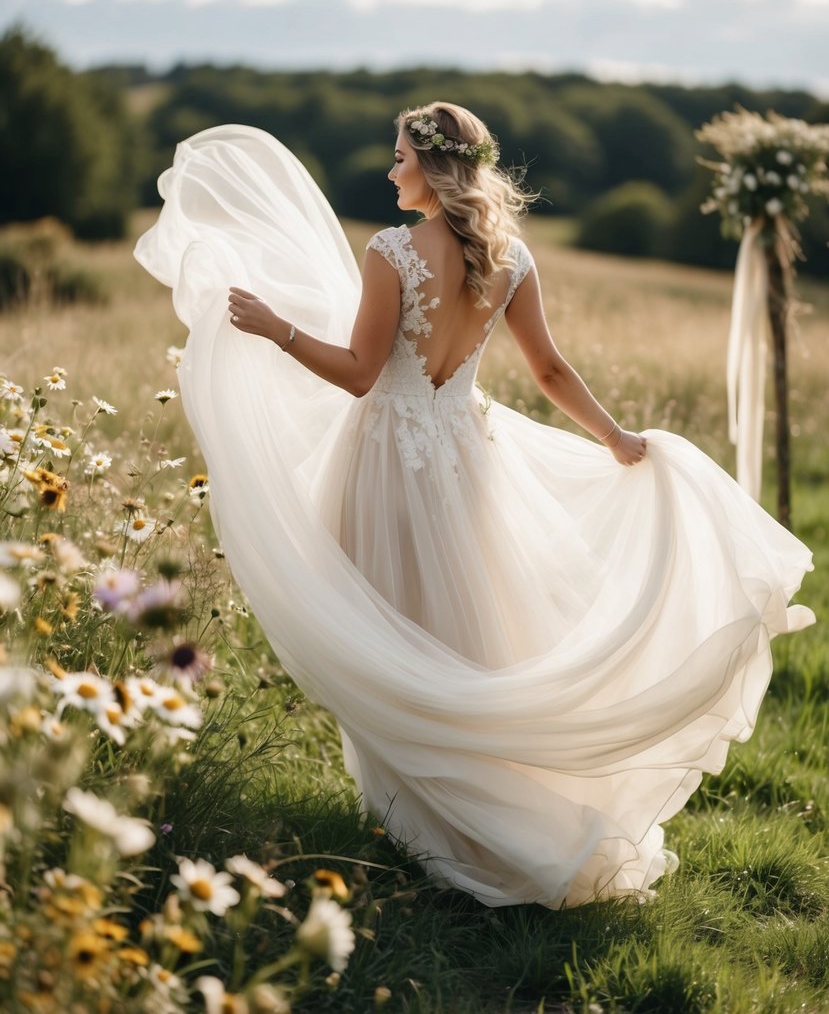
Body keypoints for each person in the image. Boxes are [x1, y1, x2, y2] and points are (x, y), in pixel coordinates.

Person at [135, 101, 814, 910]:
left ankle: (443, 825)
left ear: (431, 165)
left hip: (386, 457)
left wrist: (275, 329)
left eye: (398, 157)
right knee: (465, 634)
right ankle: (458, 811)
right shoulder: (510, 257)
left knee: (390, 639)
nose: (390, 172)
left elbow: (359, 373)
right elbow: (551, 371)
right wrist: (613, 436)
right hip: (467, 455)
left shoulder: (391, 251)